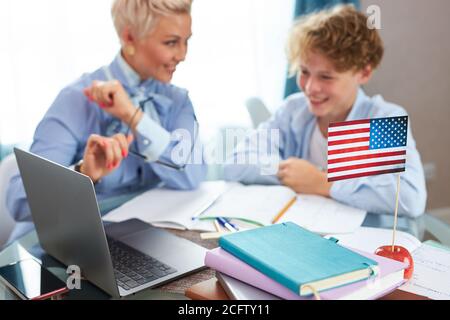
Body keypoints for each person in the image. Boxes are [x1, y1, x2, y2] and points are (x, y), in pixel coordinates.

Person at [6, 0, 206, 242]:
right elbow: (19, 201)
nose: (183, 55)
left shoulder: (178, 100)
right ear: (130, 38)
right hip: (67, 248)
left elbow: (192, 175)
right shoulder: (76, 99)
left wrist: (133, 116)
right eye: (171, 42)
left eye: (187, 41)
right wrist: (83, 174)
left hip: (140, 242)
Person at [224, 5, 427, 218]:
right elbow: (236, 162)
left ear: (364, 72)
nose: (310, 88)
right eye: (304, 72)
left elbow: (410, 198)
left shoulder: (381, 119)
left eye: (326, 77)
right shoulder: (295, 109)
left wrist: (323, 182)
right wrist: (292, 173)